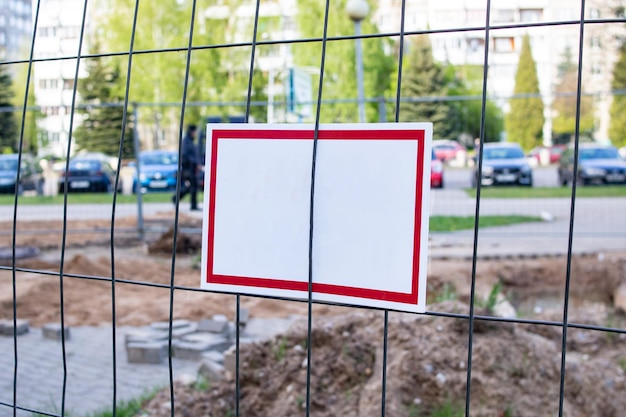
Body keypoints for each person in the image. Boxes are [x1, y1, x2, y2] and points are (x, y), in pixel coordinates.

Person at [173, 125, 201, 210]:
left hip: (192, 168)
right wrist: (195, 163)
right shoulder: (186, 142)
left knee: (192, 187)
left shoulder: (190, 141)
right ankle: (191, 204)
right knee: (192, 187)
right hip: (188, 168)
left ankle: (177, 199)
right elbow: (185, 155)